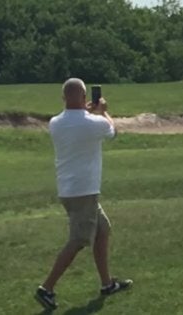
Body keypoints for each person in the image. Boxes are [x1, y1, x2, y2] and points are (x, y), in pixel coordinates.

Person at [35, 78, 132, 310]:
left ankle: (107, 283)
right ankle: (46, 288)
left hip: (69, 190)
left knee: (103, 230)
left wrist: (89, 112)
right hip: (84, 191)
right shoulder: (94, 122)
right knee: (78, 240)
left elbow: (76, 120)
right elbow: (113, 131)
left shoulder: (55, 122)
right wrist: (104, 112)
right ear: (84, 97)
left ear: (63, 98)